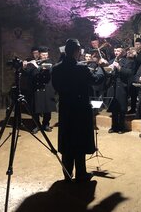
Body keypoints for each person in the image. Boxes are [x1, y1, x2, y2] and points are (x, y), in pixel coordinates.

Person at [51, 38, 104, 182]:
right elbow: (96, 80)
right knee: (79, 140)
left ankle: (67, 175)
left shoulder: (56, 69)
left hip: (66, 109)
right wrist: (101, 67)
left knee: (68, 141)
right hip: (80, 110)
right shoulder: (81, 68)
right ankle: (81, 174)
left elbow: (57, 87)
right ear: (77, 51)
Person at [106, 45, 135, 134]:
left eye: (118, 51)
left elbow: (130, 73)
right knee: (114, 107)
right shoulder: (111, 61)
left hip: (122, 86)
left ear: (122, 52)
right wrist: (107, 70)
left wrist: (119, 68)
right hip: (113, 86)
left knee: (121, 108)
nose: (116, 52)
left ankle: (121, 127)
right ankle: (114, 126)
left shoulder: (128, 61)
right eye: (115, 50)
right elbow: (107, 74)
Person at [30, 46, 56, 133]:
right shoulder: (34, 63)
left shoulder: (50, 62)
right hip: (37, 88)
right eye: (43, 55)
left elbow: (51, 71)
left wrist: (39, 67)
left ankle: (46, 124)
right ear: (39, 55)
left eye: (46, 54)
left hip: (47, 87)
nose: (45, 56)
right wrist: (35, 66)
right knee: (36, 107)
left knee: (47, 107)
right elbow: (32, 74)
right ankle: (36, 125)